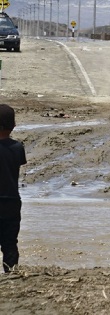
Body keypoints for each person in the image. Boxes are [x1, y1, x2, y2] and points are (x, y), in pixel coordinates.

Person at [0, 104, 27, 274]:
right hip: (11, 201)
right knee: (10, 243)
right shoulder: (18, 148)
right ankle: (11, 275)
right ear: (13, 126)